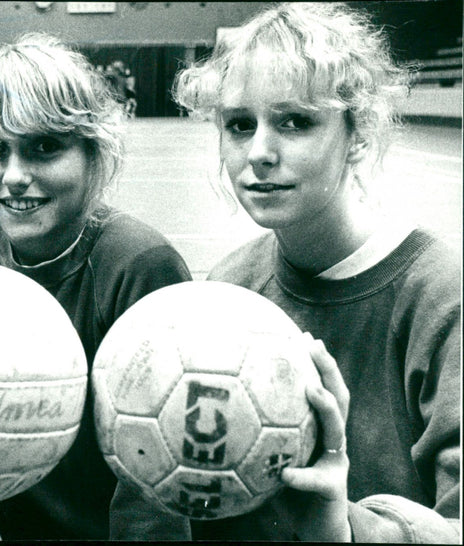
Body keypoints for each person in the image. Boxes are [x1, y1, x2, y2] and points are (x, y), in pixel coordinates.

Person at [116, 2, 461, 542]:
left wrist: (352, 528)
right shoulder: (227, 293)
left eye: (295, 121)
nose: (258, 152)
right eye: (238, 125)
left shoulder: (441, 299)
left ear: (360, 133)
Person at [0, 33, 193, 540]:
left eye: (44, 148)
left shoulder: (139, 269)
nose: (14, 175)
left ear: (92, 151)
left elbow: (157, 485)